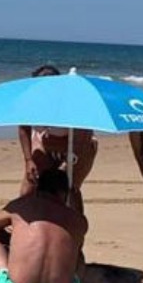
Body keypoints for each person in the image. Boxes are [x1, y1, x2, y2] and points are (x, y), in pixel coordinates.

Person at [18, 64, 97, 202]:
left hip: (79, 148)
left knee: (69, 189)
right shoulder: (33, 101)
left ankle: (76, 221)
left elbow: (83, 139)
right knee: (29, 188)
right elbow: (24, 127)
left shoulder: (72, 105)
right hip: (45, 145)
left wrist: (65, 167)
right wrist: (28, 160)